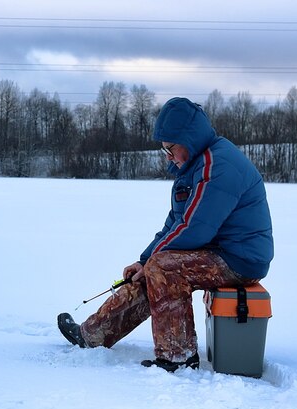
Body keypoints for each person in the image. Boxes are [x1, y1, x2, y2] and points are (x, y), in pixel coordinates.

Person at [58, 97, 273, 372]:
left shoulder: (217, 166)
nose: (168, 157)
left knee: (163, 268)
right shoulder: (194, 166)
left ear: (190, 139)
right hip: (218, 251)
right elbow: (175, 222)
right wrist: (143, 260)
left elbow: (195, 229)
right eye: (164, 151)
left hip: (240, 259)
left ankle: (178, 356)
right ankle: (93, 334)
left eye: (171, 149)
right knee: (155, 268)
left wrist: (152, 263)